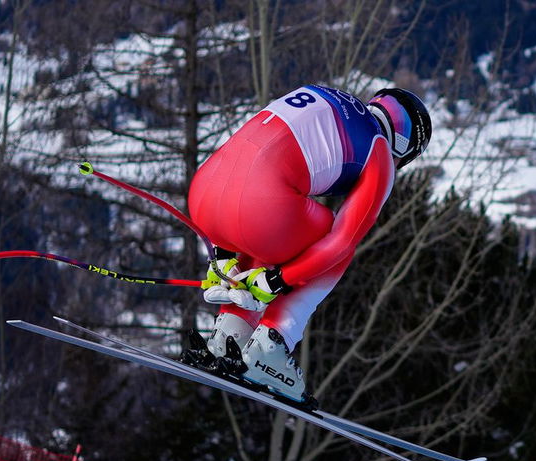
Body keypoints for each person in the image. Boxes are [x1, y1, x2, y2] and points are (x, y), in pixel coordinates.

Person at [179, 84, 431, 405]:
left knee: (275, 219)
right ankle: (272, 345)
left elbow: (245, 161)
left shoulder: (325, 96)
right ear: (405, 148)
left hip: (203, 197)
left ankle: (231, 330)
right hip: (260, 212)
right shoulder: (378, 151)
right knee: (336, 240)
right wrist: (279, 280)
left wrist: (224, 251)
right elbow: (340, 242)